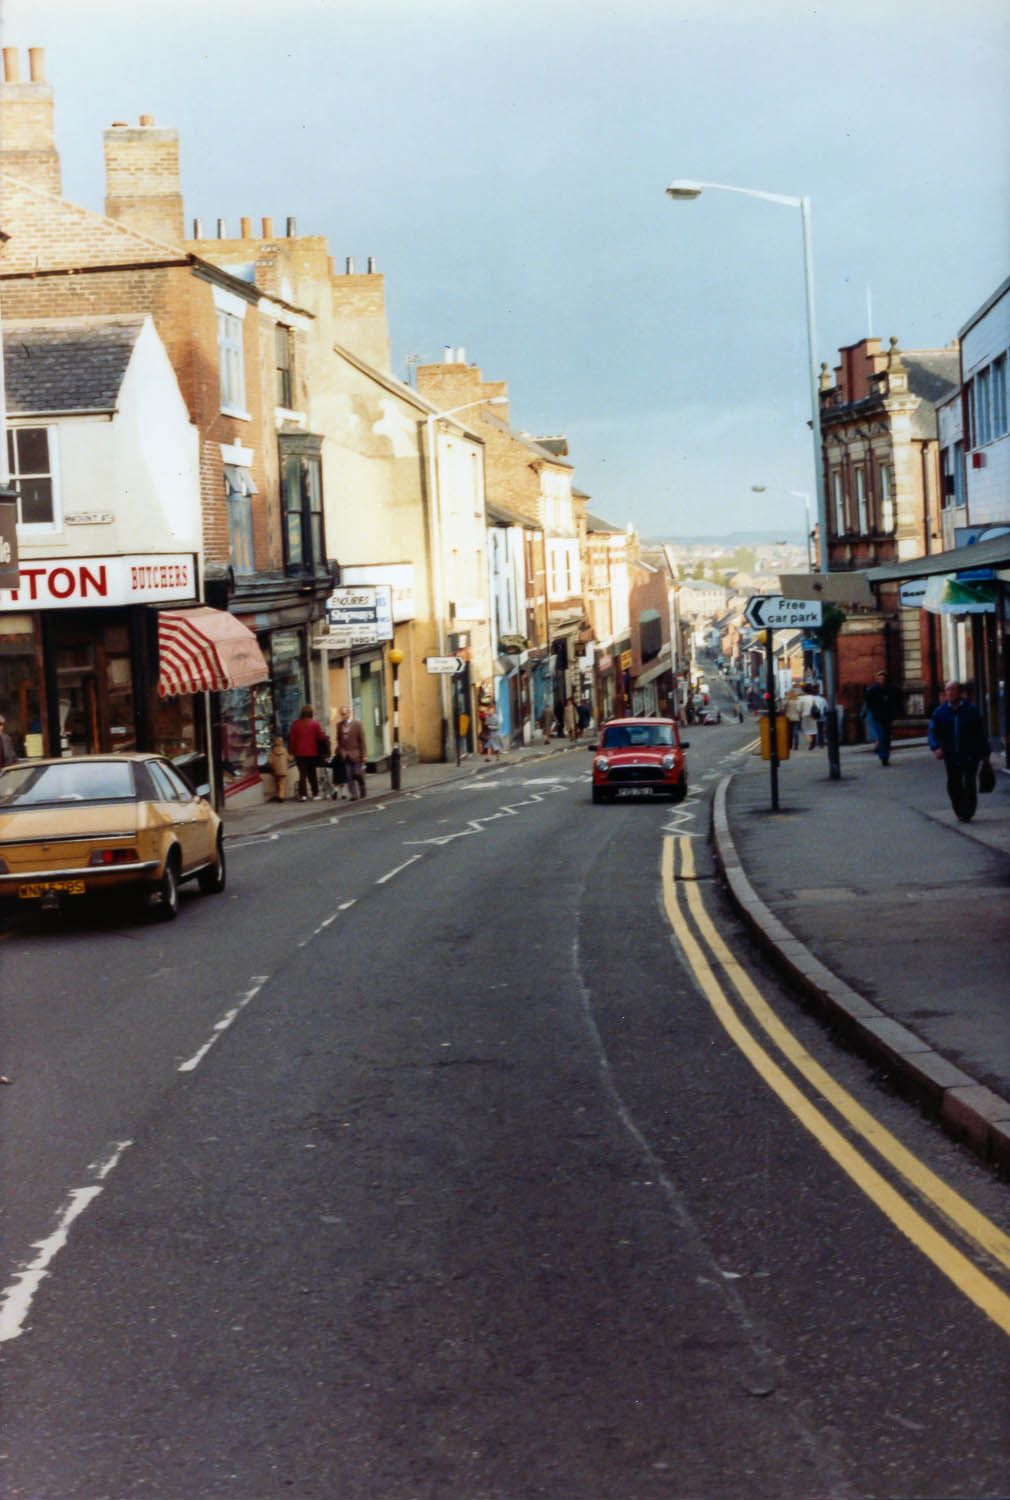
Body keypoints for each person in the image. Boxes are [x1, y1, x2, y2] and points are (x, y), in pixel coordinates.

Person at [928, 680, 987, 822]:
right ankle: (959, 808)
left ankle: (968, 811)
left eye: (952, 689)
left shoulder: (971, 710)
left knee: (969, 782)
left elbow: (981, 733)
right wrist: (935, 747)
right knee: (954, 783)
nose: (949, 692)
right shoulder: (940, 712)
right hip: (951, 754)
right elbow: (932, 732)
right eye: (947, 690)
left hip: (970, 754)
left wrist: (985, 754)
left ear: (960, 692)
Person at [287, 704, 327, 801]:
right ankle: (315, 793)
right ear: (311, 713)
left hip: (300, 754)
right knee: (312, 774)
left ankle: (303, 795)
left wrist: (291, 752)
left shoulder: (296, 724)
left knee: (302, 774)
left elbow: (292, 740)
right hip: (312, 753)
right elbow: (321, 737)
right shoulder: (315, 724)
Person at [863, 669, 900, 766]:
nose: (881, 680)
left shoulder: (891, 688)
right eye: (879, 678)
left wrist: (894, 710)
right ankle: (883, 755)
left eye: (883, 678)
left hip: (888, 717)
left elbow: (898, 698)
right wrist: (872, 711)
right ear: (876, 679)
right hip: (878, 717)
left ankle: (886, 756)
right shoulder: (873, 689)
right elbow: (868, 702)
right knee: (881, 736)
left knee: (887, 738)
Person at [336, 704, 367, 800]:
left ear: (349, 713)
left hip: (356, 753)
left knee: (357, 773)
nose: (343, 716)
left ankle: (362, 786)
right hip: (346, 754)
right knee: (349, 776)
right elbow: (339, 740)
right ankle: (354, 794)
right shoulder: (339, 725)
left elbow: (362, 740)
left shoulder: (357, 724)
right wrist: (341, 751)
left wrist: (364, 755)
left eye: (344, 714)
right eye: (341, 714)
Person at [266, 736, 291, 800]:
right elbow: (289, 759)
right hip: (283, 770)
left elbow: (269, 761)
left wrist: (271, 766)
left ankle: (278, 794)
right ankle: (281, 796)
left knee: (277, 782)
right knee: (281, 783)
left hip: (275, 770)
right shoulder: (284, 750)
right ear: (282, 743)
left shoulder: (272, 751)